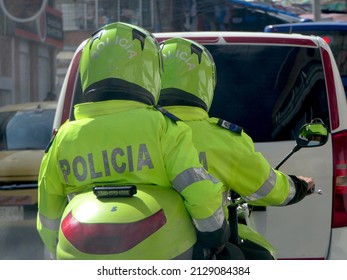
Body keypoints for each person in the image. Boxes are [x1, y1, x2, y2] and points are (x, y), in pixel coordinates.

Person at [36, 22, 231, 260]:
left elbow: (48, 216)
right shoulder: (163, 127)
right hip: (164, 253)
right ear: (150, 70)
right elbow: (198, 191)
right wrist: (216, 235)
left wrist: (60, 251)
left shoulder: (64, 137)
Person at [158, 37, 316, 258]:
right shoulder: (223, 139)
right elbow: (267, 188)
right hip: (204, 248)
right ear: (205, 82)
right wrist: (299, 186)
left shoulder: (135, 132)